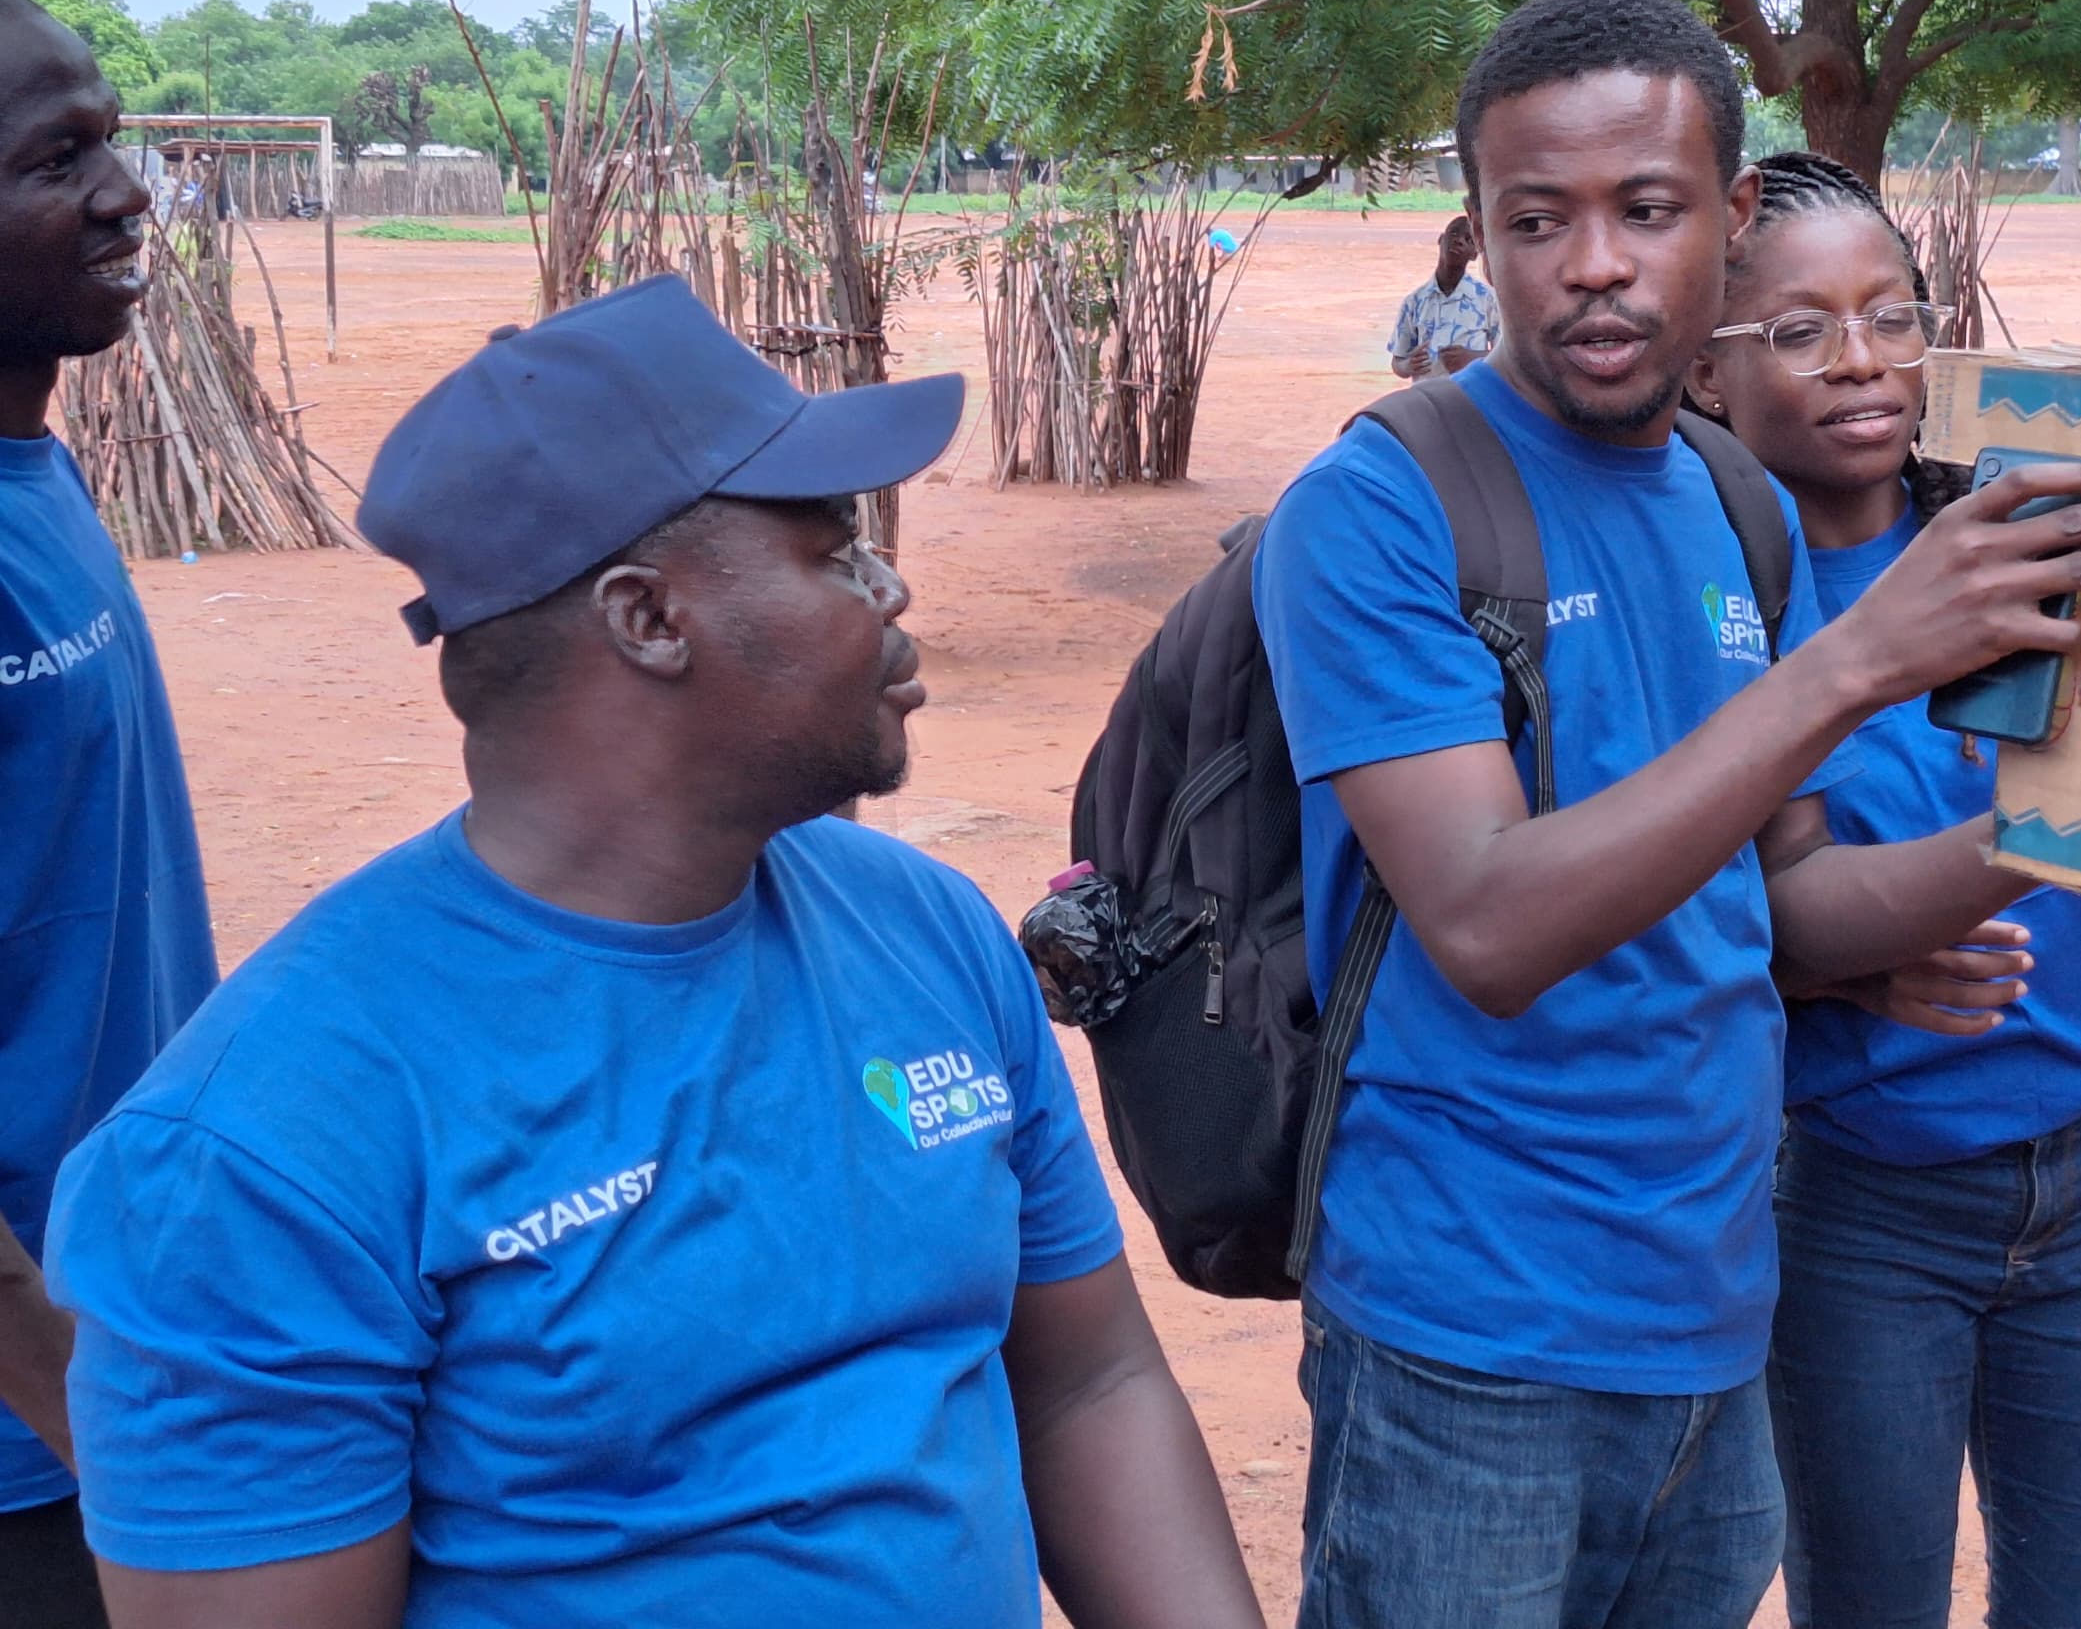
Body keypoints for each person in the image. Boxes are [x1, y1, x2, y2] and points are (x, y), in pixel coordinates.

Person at [1249, 0, 2081, 1629]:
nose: (1596, 263)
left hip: (1712, 1309)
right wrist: (1857, 661)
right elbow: (1488, 924)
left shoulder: (1729, 500)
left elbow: (1790, 903)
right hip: (1470, 1330)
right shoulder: (1381, 505)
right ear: (1480, 233)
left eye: (1648, 209)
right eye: (1538, 220)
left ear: (1727, 220)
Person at [44, 277, 1265, 1629]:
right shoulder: (259, 1154)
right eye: (833, 548)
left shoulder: (925, 931)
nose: (891, 585)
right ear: (648, 618)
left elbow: (1088, 1383)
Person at [1690, 150, 2081, 1629]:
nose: (1861, 360)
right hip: (1856, 1199)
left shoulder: (2039, 529)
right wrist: (1850, 959)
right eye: (1799, 330)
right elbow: (1718, 907)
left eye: (1892, 316)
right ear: (1705, 373)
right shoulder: (1716, 608)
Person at [0, 0, 220, 1629]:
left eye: (114, 140)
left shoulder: (40, 480)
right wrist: (92, 1421)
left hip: (126, 1338)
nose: (126, 191)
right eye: (56, 158)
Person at [1385, 214, 1501, 379]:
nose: (1459, 241)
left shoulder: (1488, 299)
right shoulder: (1414, 301)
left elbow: (1506, 358)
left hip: (1468, 392)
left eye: (1468, 240)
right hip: (1427, 393)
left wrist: (1472, 358)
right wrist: (1409, 365)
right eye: (1454, 233)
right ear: (1440, 240)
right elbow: (1398, 363)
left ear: (1474, 254)